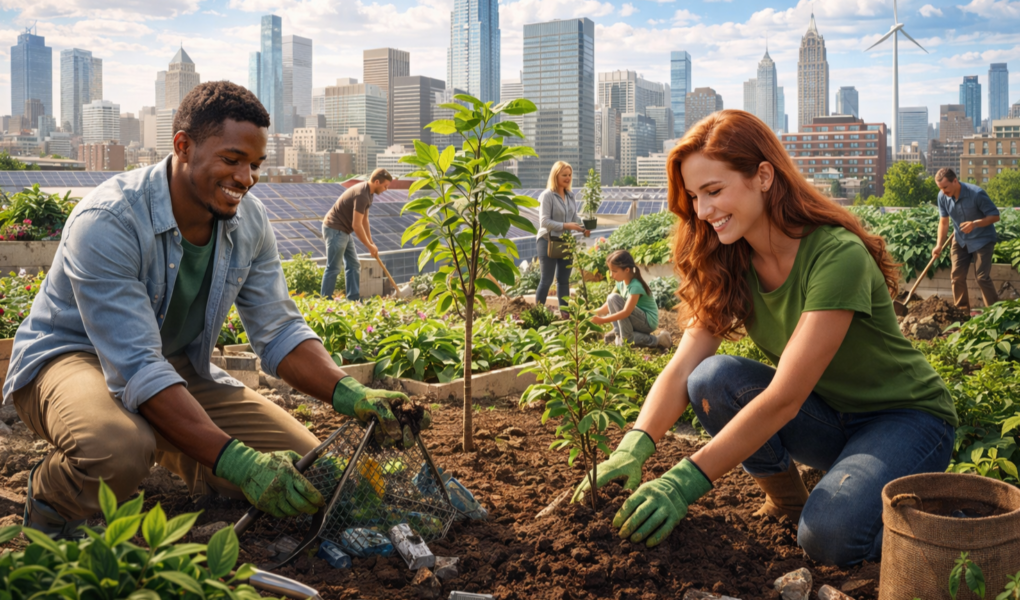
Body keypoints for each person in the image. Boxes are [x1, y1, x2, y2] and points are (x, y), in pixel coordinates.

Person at [3, 81, 428, 538]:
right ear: (183, 147)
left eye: (255, 164)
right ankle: (52, 504)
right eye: (232, 159)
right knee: (117, 448)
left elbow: (280, 330)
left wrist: (351, 393)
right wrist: (241, 462)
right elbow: (137, 367)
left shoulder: (249, 221)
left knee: (312, 470)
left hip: (169, 366)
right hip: (71, 359)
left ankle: (190, 453)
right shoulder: (109, 221)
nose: (246, 178)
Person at [572, 109, 956, 567]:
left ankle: (951, 527)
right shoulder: (730, 260)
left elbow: (784, 398)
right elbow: (682, 366)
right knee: (711, 379)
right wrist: (633, 445)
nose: (703, 211)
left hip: (906, 420)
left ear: (764, 176)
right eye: (694, 196)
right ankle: (793, 505)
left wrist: (683, 482)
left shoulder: (836, 255)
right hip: (830, 418)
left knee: (830, 537)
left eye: (714, 191)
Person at [932, 168, 1000, 312]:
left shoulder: (976, 194)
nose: (943, 191)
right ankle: (962, 313)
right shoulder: (942, 196)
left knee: (982, 277)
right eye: (940, 188)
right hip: (960, 239)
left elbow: (995, 216)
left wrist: (975, 224)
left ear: (955, 181)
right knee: (957, 276)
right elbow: (944, 222)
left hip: (982, 239)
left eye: (945, 187)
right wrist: (939, 245)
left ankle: (995, 313)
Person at [320, 168, 393, 301]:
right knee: (333, 268)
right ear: (377, 182)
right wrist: (369, 247)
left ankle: (353, 300)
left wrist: (371, 243)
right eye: (385, 186)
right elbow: (357, 225)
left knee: (353, 265)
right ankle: (325, 302)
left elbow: (365, 220)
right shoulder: (362, 195)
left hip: (344, 230)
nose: (386, 189)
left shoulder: (369, 193)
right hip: (335, 229)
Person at [536, 161, 589, 313]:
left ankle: (565, 315)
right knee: (546, 280)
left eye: (570, 175)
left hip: (565, 241)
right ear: (555, 176)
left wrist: (583, 228)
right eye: (564, 175)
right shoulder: (547, 196)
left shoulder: (570, 196)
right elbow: (544, 222)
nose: (568, 178)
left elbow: (574, 218)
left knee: (564, 281)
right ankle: (537, 313)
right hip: (547, 240)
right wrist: (566, 226)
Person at [593, 250, 671, 348]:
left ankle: (659, 339)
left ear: (626, 270)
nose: (611, 275)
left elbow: (626, 312)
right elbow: (609, 304)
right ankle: (619, 334)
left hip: (647, 322)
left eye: (614, 271)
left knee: (626, 340)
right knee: (611, 298)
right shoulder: (620, 283)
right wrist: (592, 313)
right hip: (636, 318)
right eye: (610, 271)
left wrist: (603, 320)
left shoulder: (635, 286)